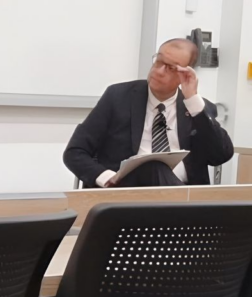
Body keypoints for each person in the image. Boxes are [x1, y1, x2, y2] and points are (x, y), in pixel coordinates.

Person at [63, 38, 233, 187]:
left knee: (159, 170)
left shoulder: (197, 109)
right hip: (126, 194)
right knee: (154, 166)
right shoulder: (118, 97)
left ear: (186, 74)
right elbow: (75, 152)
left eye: (171, 68)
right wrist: (107, 178)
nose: (159, 71)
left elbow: (221, 156)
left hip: (184, 194)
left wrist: (194, 103)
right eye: (158, 62)